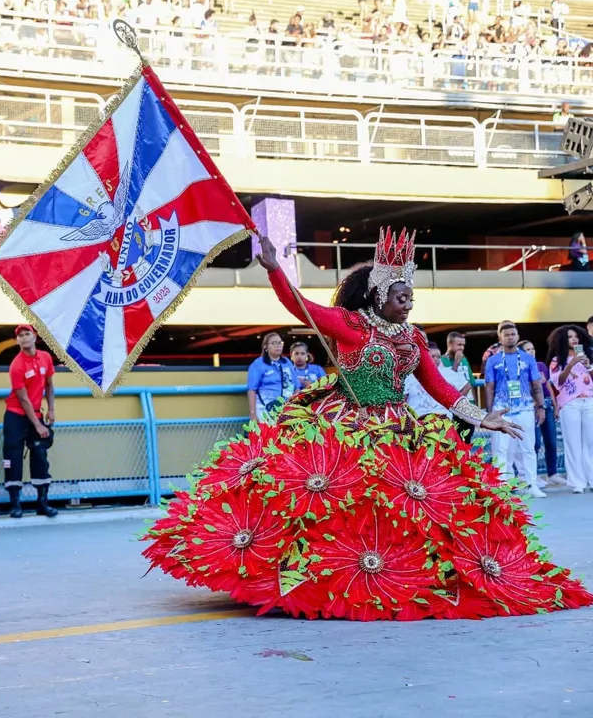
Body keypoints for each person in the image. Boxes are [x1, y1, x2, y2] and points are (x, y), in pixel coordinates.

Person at [143, 227, 591, 620]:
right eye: (401, 298)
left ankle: (400, 576)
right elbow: (300, 306)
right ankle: (312, 580)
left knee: (407, 508)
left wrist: (480, 416)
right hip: (342, 423)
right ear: (379, 296)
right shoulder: (350, 324)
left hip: (397, 427)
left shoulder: (414, 338)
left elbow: (440, 388)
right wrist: (275, 270)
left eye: (411, 298)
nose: (408, 305)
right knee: (324, 504)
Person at [484, 322, 547, 498]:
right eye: (506, 334)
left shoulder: (528, 358)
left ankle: (531, 483)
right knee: (501, 449)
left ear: (518, 336)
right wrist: (490, 414)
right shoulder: (493, 360)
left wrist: (541, 407)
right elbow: (489, 387)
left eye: (513, 334)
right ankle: (503, 485)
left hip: (525, 408)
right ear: (500, 338)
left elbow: (536, 385)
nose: (510, 337)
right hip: (501, 409)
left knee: (528, 447)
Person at [3, 324, 58, 520]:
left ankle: (42, 503)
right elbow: (23, 399)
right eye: (20, 336)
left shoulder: (45, 357)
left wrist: (51, 410)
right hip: (16, 415)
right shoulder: (16, 365)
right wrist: (38, 425)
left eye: (27, 334)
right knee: (13, 457)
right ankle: (16, 505)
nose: (24, 338)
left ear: (34, 336)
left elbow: (50, 385)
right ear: (17, 341)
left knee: (40, 455)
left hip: (37, 414)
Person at [546, 325, 593, 494]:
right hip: (570, 403)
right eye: (569, 337)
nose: (574, 339)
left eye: (576, 336)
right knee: (573, 443)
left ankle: (591, 478)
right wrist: (570, 364)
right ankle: (577, 482)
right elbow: (559, 381)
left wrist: (589, 366)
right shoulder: (557, 361)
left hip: (589, 400)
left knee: (590, 442)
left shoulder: (587, 357)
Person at [520, 340, 563, 489]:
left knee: (551, 440)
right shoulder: (521, 367)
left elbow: (549, 386)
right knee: (535, 442)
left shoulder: (541, 366)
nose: (531, 351)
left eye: (532, 348)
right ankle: (534, 474)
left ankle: (552, 474)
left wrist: (555, 405)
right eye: (527, 349)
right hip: (532, 406)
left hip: (547, 405)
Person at [404, 341, 470, 418]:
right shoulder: (410, 375)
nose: (436, 359)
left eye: (438, 357)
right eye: (432, 356)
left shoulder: (445, 372)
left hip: (443, 419)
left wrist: (453, 407)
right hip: (417, 420)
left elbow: (466, 386)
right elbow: (403, 398)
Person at [246, 333, 295, 424]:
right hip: (265, 408)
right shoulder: (258, 364)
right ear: (265, 347)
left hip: (286, 408)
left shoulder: (287, 362)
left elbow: (296, 386)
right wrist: (252, 413)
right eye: (274, 343)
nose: (278, 345)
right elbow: (252, 390)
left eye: (280, 343)